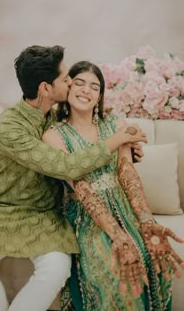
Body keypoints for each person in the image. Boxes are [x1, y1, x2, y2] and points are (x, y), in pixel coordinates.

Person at [0, 46, 147, 311]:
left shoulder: (58, 117)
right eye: (66, 79)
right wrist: (116, 141)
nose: (71, 83)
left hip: (48, 213)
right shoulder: (9, 127)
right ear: (46, 88)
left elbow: (89, 132)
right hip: (6, 210)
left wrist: (129, 148)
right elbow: (66, 166)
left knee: (57, 267)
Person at [42, 60, 184, 311]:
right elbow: (81, 187)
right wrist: (117, 236)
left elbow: (128, 176)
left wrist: (147, 222)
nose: (86, 90)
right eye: (79, 83)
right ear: (68, 89)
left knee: (150, 257)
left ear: (99, 97)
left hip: (122, 206)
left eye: (94, 87)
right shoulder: (54, 135)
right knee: (113, 267)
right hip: (87, 216)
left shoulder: (115, 125)